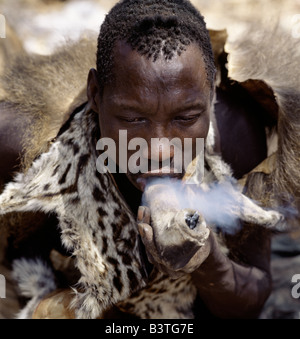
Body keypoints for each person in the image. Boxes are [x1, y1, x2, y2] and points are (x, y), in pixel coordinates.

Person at [0, 0, 298, 319]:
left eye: (185, 118)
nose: (159, 151)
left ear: (210, 96)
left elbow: (251, 298)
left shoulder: (235, 137)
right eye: (133, 118)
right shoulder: (31, 151)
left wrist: (208, 261)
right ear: (96, 94)